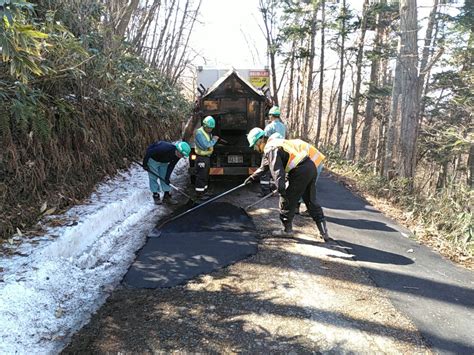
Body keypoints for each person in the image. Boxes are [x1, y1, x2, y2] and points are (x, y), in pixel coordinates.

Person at [244, 127, 329, 240]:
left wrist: (281, 189)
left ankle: (286, 230)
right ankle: (324, 232)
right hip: (310, 167)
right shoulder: (276, 144)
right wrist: (252, 178)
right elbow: (264, 167)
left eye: (255, 145)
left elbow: (277, 171)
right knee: (310, 200)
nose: (255, 148)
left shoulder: (270, 148)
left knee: (286, 201)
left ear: (260, 141)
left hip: (300, 171)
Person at [143, 141, 191, 205]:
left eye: (183, 156)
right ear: (177, 150)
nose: (181, 157)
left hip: (164, 162)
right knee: (153, 177)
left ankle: (166, 196)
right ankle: (156, 195)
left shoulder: (177, 156)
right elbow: (149, 152)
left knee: (165, 177)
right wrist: (145, 164)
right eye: (181, 154)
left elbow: (171, 165)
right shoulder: (164, 148)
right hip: (153, 159)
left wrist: (167, 177)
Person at [259, 106, 287, 196]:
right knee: (276, 171)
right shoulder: (283, 126)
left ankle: (265, 191)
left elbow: (263, 139)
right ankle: (275, 189)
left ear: (271, 116)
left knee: (265, 171)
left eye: (269, 116)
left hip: (271, 150)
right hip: (282, 150)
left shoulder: (269, 127)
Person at [193, 115, 219, 198]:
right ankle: (199, 194)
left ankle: (204, 191)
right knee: (201, 176)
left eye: (211, 128)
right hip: (201, 157)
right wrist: (214, 140)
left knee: (205, 175)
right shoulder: (199, 133)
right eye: (209, 128)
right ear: (204, 125)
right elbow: (205, 145)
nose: (210, 130)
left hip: (206, 157)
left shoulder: (207, 132)